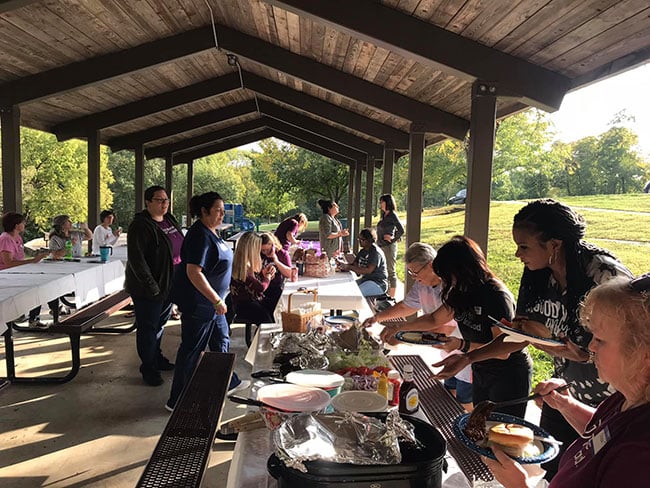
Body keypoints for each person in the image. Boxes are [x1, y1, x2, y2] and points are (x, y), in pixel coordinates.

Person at [483, 276, 650, 487]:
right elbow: (602, 435)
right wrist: (566, 405)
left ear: (644, 354)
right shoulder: (628, 396)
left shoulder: (640, 457)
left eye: (600, 339)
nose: (591, 347)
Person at [511, 198, 632, 478]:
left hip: (611, 401)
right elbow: (536, 332)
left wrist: (585, 354)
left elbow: (635, 337)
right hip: (564, 388)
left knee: (591, 474)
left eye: (524, 246)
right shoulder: (539, 274)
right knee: (555, 468)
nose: (518, 254)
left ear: (554, 245)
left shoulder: (603, 273)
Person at [383, 236, 532, 418]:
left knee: (501, 431)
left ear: (462, 270)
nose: (446, 282)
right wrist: (400, 327)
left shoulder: (495, 297)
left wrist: (462, 347)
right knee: (479, 424)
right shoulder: (462, 290)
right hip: (480, 367)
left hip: (507, 375)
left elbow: (502, 350)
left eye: (447, 275)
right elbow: (434, 319)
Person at [361, 242, 473, 411]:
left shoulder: (453, 286)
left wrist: (402, 335)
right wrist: (378, 317)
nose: (413, 276)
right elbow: (406, 306)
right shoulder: (422, 283)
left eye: (415, 272)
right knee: (450, 396)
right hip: (449, 354)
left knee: (466, 403)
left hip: (468, 355)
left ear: (431, 265)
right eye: (410, 272)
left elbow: (443, 327)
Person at [166, 192, 249, 411]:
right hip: (201, 305)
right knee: (191, 350)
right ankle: (177, 400)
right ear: (204, 212)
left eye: (223, 210)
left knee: (221, 342)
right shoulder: (199, 236)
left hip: (216, 304)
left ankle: (227, 382)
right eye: (218, 210)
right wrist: (214, 299)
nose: (222, 214)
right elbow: (194, 272)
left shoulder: (212, 232)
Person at [124, 186, 184, 386]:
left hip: (170, 283)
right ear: (148, 202)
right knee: (148, 328)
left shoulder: (169, 220)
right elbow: (137, 260)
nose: (164, 203)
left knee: (159, 324)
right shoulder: (140, 225)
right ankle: (148, 367)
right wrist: (152, 287)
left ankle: (156, 357)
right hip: (149, 288)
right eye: (159, 200)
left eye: (166, 199)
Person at [0, 212, 50, 328]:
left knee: (39, 285)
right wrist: (33, 260)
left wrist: (39, 255)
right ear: (16, 225)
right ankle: (19, 314)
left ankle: (33, 317)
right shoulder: (6, 239)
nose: (24, 225)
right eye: (23, 222)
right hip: (7, 275)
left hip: (19, 272)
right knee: (35, 287)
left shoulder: (17, 237)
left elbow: (22, 254)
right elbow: (8, 263)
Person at [229, 231, 277, 324]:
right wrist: (267, 277)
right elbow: (261, 287)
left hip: (254, 300)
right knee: (267, 320)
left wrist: (264, 274)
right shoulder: (242, 268)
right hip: (245, 305)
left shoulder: (248, 264)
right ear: (252, 250)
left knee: (275, 305)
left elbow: (256, 282)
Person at [339, 227, 388, 297]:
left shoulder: (375, 252)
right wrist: (342, 264)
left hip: (378, 283)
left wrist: (349, 267)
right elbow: (355, 266)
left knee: (352, 294)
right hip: (366, 280)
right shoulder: (363, 251)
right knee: (346, 289)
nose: (359, 241)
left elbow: (368, 270)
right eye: (359, 239)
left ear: (370, 240)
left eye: (362, 240)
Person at [376, 194, 404, 298]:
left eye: (382, 202)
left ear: (387, 202)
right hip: (381, 246)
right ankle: (386, 294)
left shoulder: (392, 215)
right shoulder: (384, 215)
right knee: (384, 270)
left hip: (389, 247)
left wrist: (393, 238)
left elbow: (401, 230)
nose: (380, 204)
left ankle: (391, 298)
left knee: (390, 271)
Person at [260, 232, 292, 311]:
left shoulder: (282, 254)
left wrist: (276, 261)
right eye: (263, 250)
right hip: (262, 287)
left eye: (268, 249)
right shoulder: (259, 254)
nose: (265, 252)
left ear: (273, 245)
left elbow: (289, 274)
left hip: (276, 288)